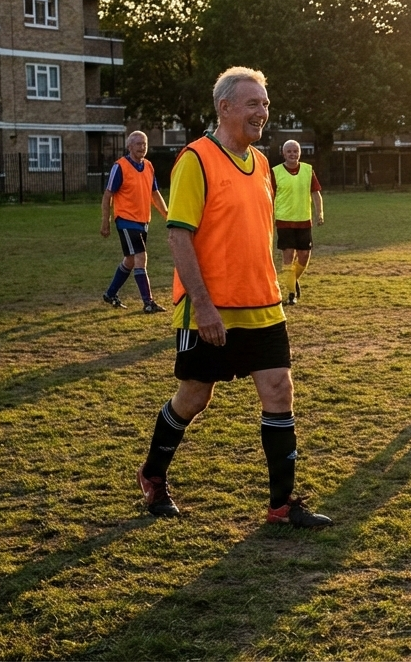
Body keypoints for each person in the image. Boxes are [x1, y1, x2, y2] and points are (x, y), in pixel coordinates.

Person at [135, 67, 331, 527]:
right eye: (252, 103)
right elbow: (179, 237)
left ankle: (282, 505)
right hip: (210, 308)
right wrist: (202, 305)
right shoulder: (196, 160)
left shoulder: (263, 164)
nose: (262, 111)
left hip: (263, 303)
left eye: (264, 103)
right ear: (225, 108)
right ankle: (153, 474)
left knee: (279, 391)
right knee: (195, 396)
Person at [100, 131, 169, 313]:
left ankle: (110, 293)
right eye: (138, 144)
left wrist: (167, 214)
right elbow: (108, 195)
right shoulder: (120, 166)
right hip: (125, 219)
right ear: (129, 146)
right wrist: (105, 221)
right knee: (141, 257)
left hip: (142, 220)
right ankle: (148, 302)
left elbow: (155, 194)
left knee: (130, 260)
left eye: (144, 144)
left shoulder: (148, 166)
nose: (142, 147)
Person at [271, 140, 324, 306]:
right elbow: (269, 196)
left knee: (304, 256)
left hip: (304, 220)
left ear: (299, 153)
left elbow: (316, 193)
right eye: (289, 152)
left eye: (295, 151)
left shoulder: (308, 170)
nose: (292, 154)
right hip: (284, 221)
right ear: (284, 154)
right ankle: (291, 293)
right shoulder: (275, 172)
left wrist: (319, 213)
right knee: (288, 257)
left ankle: (292, 279)